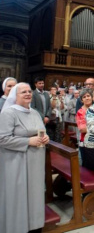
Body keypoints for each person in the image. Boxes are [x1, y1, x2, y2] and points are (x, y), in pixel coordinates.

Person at [0, 83, 50, 233]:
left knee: (35, 196)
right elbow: (2, 139)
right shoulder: (8, 113)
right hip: (16, 162)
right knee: (18, 197)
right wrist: (28, 141)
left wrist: (45, 138)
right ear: (15, 96)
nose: (28, 94)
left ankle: (34, 226)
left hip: (35, 161)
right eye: (23, 92)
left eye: (29, 91)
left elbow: (41, 131)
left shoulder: (34, 112)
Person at [76, 89, 93, 164]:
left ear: (92, 97)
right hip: (85, 141)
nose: (87, 98)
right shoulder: (80, 112)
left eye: (88, 96)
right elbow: (82, 129)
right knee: (87, 164)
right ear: (82, 100)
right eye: (84, 97)